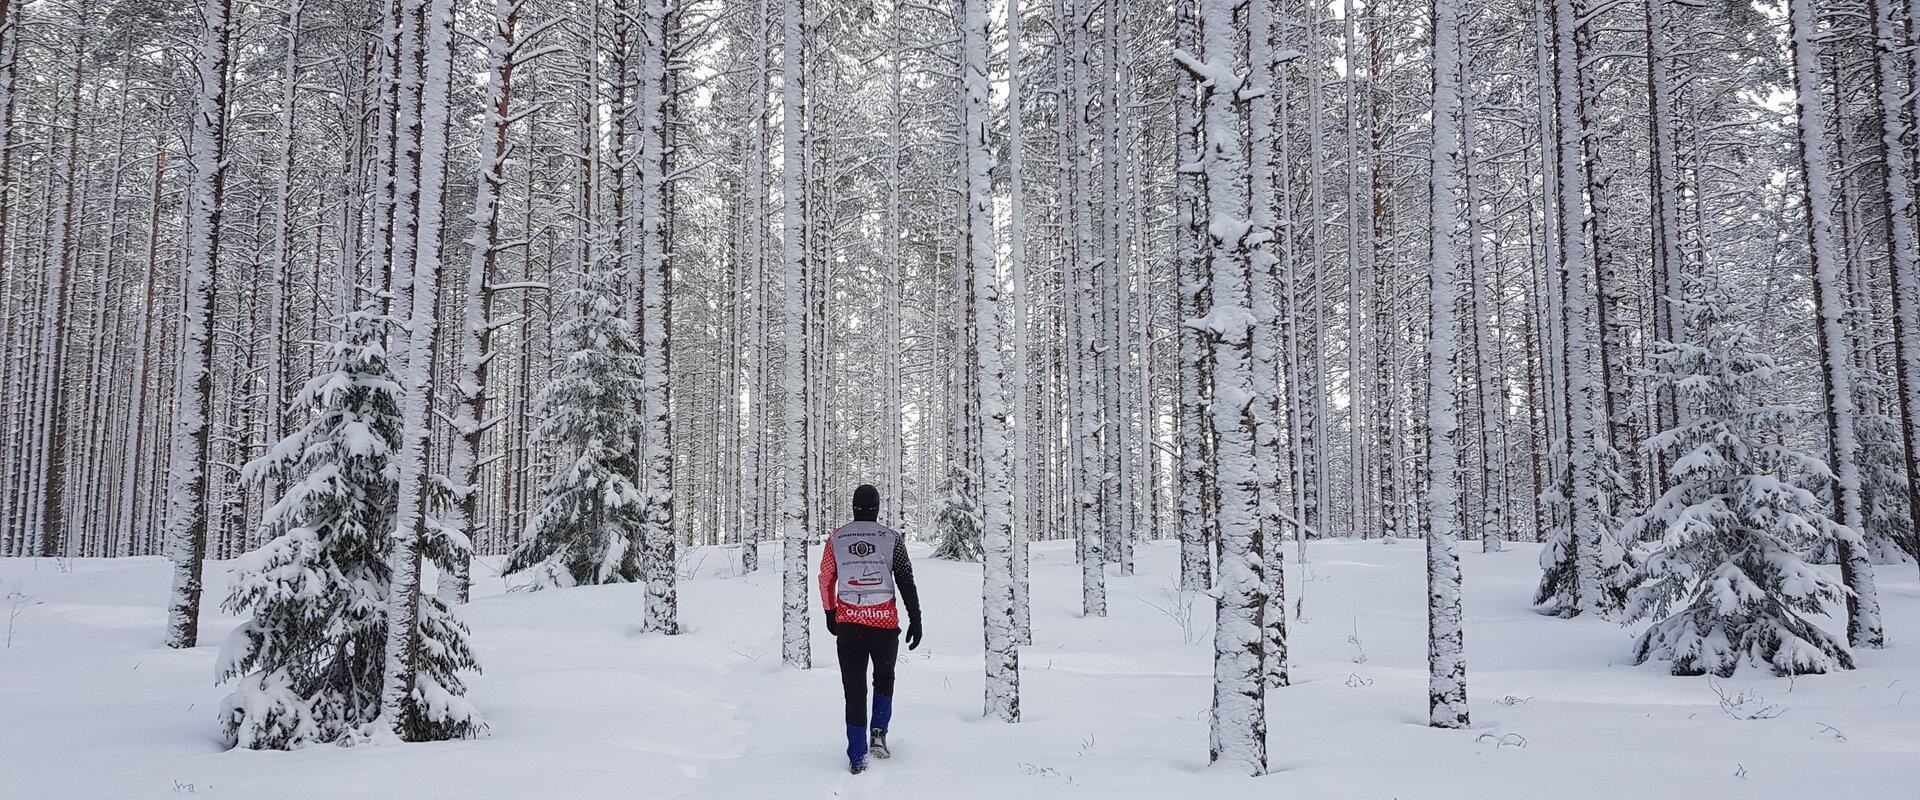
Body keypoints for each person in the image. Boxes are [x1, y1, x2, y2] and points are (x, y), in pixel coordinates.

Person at [818, 484, 922, 774]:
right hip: (884, 626)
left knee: (853, 688)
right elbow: (905, 580)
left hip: (849, 625)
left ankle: (856, 755)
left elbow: (826, 577)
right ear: (877, 508)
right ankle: (878, 733)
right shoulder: (891, 539)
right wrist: (916, 617)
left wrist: (830, 613)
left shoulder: (836, 539)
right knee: (884, 679)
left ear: (854, 507)